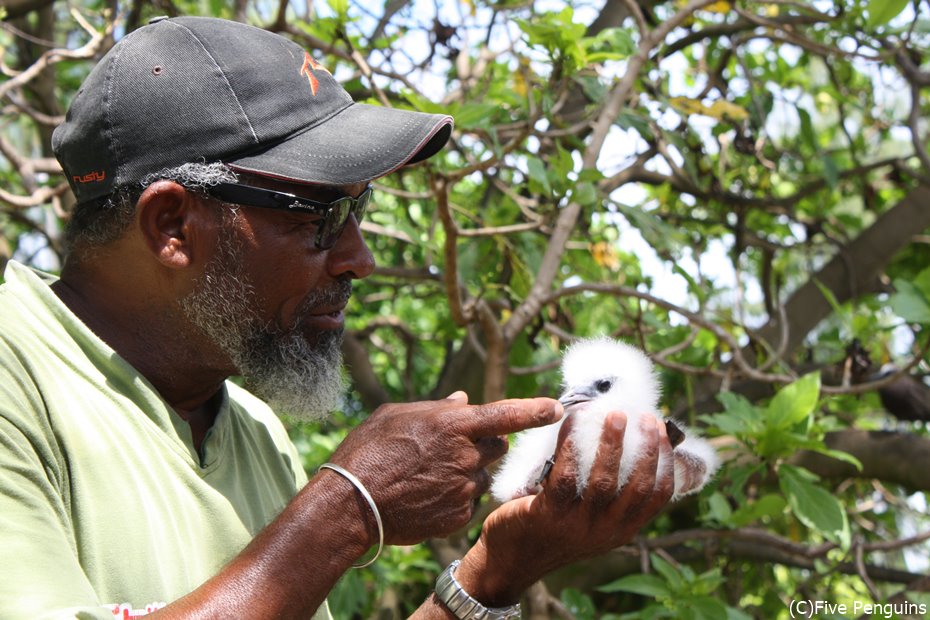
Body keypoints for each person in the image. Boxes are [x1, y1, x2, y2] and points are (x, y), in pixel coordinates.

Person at [0, 15, 674, 620]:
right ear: (173, 225)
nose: (360, 258)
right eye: (320, 217)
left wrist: (497, 571)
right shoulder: (16, 378)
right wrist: (348, 505)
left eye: (358, 209)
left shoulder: (250, 432)